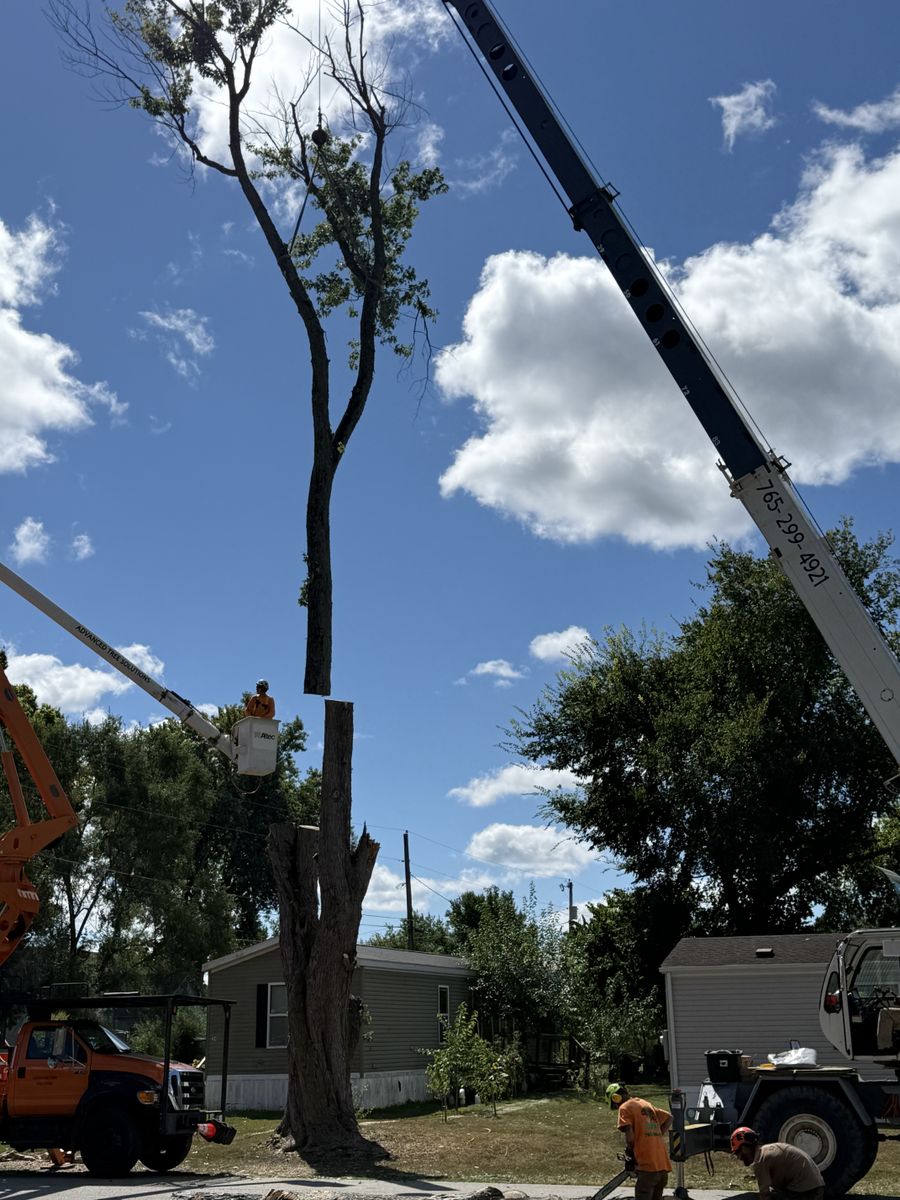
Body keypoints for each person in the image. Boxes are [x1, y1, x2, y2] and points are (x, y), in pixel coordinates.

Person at [606, 1082, 672, 1200]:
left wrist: (630, 1151)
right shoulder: (645, 1104)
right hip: (662, 1167)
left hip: (648, 1168)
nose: (616, 1107)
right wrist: (657, 1135)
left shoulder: (625, 1107)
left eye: (614, 1104)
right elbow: (669, 1117)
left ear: (616, 1098)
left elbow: (629, 1135)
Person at [731, 1126, 824, 1200]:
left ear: (745, 1147)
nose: (739, 1157)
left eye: (739, 1152)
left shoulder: (760, 1160)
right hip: (816, 1188)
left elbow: (765, 1195)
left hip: (805, 1192)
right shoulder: (766, 1150)